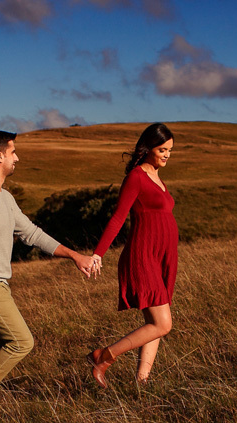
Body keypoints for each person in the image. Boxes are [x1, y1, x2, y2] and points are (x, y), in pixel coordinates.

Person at [0, 130, 99, 423]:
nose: (17, 157)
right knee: (22, 342)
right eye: (13, 151)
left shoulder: (4, 198)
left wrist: (75, 256)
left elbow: (32, 233)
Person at [86, 123, 178, 387]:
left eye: (170, 150)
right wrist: (97, 254)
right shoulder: (136, 177)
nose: (167, 155)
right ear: (148, 148)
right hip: (144, 256)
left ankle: (142, 383)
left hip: (163, 257)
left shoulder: (159, 178)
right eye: (162, 149)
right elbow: (118, 218)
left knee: (154, 323)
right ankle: (103, 356)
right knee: (163, 324)